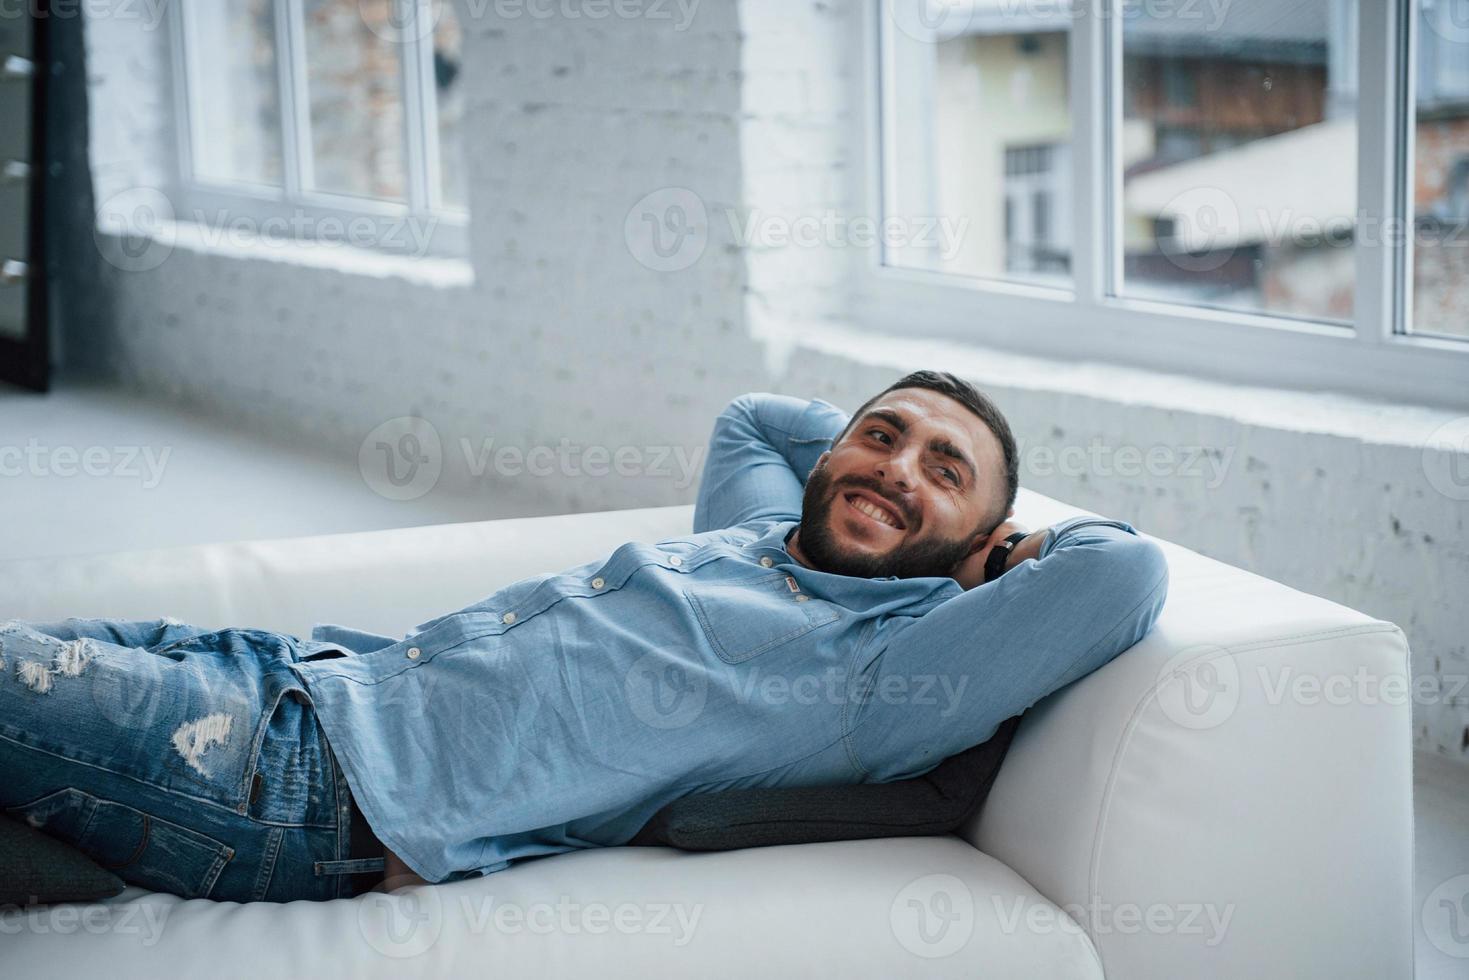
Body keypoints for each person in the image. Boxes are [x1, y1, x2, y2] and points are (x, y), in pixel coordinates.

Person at [0, 370, 1168, 902]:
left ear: (987, 535)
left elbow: (1120, 573)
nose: (893, 466)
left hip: (301, 789)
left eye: (942, 470)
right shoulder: (761, 535)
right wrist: (870, 463)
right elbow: (754, 412)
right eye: (878, 434)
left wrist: (984, 557)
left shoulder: (884, 672)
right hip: (280, 673)